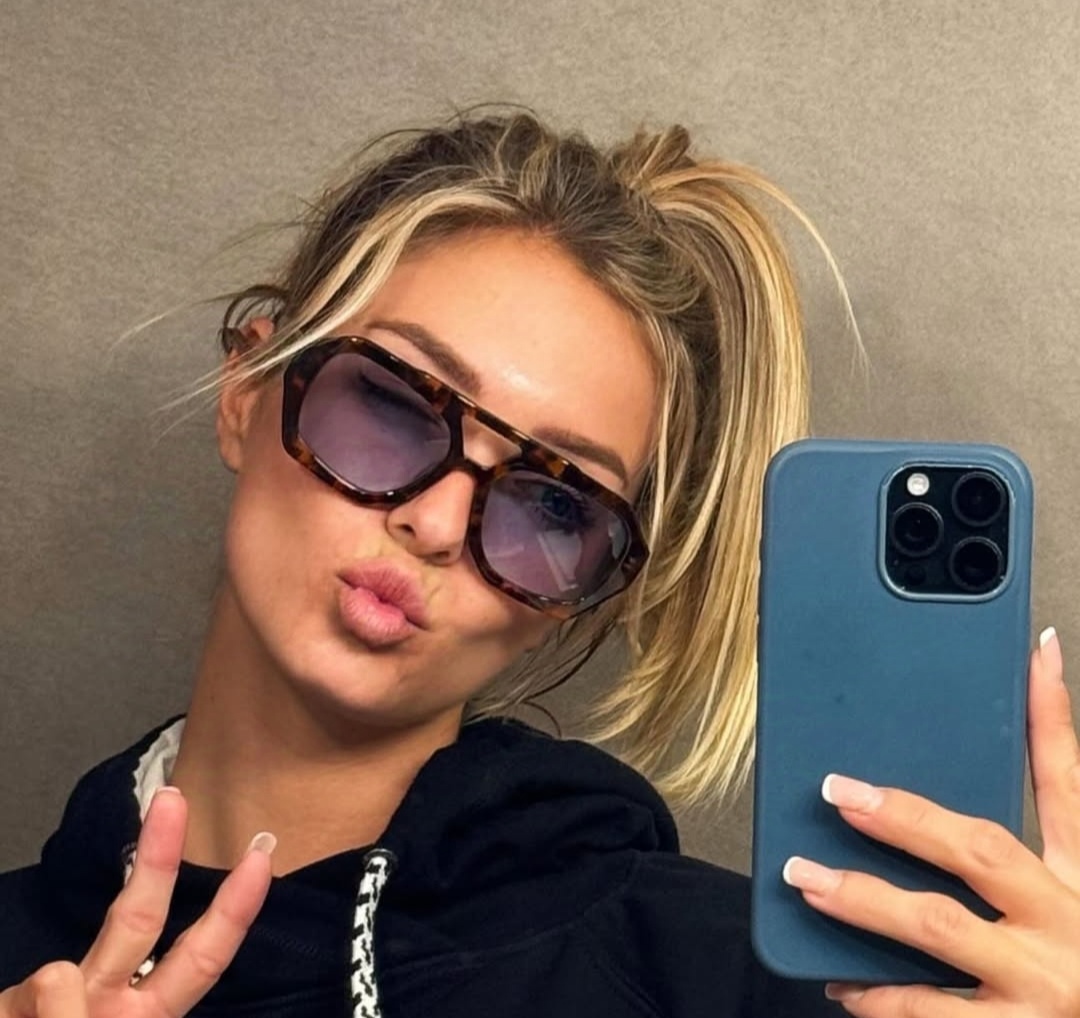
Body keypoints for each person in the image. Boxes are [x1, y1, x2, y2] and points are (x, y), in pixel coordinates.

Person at [1, 110, 1078, 1018]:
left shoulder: (725, 986)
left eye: (554, 503)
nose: (435, 522)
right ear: (250, 391)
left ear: (584, 600)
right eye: (391, 402)